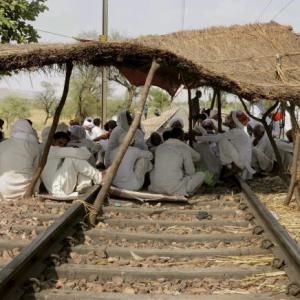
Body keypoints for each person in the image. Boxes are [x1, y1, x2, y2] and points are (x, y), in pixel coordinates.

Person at [149, 127, 212, 196]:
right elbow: (190, 171)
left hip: (157, 187)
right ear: (180, 136)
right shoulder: (183, 147)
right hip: (174, 188)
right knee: (201, 175)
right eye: (183, 136)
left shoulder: (159, 148)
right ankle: (188, 191)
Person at [196, 110, 255, 179]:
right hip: (243, 161)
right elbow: (220, 135)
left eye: (230, 118)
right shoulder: (239, 131)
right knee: (222, 140)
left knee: (222, 140)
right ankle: (231, 165)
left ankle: (233, 166)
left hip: (241, 162)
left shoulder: (236, 131)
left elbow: (216, 138)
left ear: (234, 122)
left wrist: (196, 137)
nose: (227, 120)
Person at [41, 132, 102, 196]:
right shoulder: (53, 150)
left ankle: (84, 186)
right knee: (73, 158)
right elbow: (85, 154)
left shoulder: (50, 150)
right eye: (60, 142)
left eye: (64, 144)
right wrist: (84, 149)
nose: (61, 146)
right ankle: (98, 177)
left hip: (59, 186)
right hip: (57, 188)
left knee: (75, 157)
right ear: (53, 140)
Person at [0, 120, 41, 200]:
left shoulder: (2, 145)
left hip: (4, 191)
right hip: (25, 191)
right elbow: (37, 169)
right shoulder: (35, 147)